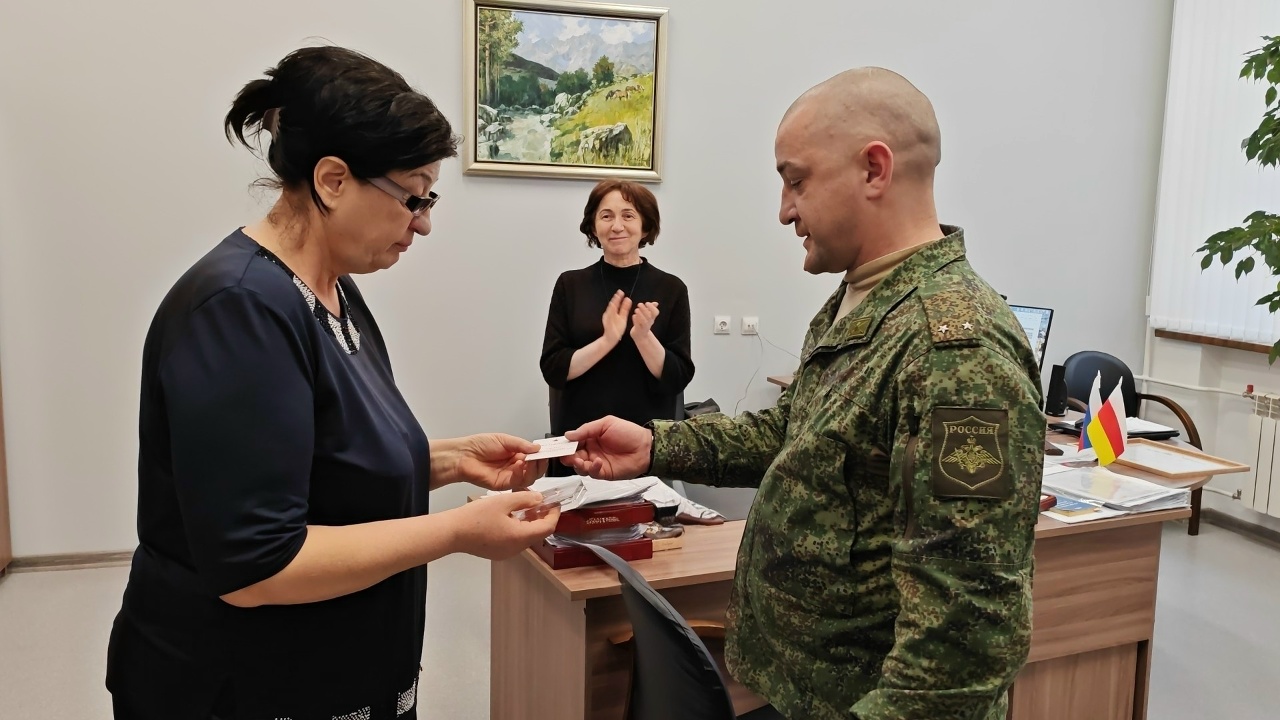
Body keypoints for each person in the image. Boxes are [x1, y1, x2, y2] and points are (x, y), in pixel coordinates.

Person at [564, 68, 1044, 720]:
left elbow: (967, 631)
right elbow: (789, 432)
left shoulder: (956, 350)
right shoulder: (859, 298)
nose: (784, 210)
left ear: (874, 170)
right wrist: (655, 445)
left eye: (796, 181)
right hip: (813, 692)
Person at [105, 46, 560, 720]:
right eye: (413, 196)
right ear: (333, 180)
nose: (424, 222)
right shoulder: (239, 309)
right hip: (240, 687)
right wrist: (458, 532)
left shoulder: (333, 292)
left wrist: (451, 458)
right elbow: (259, 565)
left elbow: (322, 460)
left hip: (342, 670)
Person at [539, 180, 694, 467]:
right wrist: (607, 340)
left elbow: (678, 377)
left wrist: (643, 337)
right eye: (606, 216)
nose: (617, 226)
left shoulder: (671, 289)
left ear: (645, 227)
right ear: (594, 226)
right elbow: (553, 368)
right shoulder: (570, 285)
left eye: (628, 215)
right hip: (581, 443)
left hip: (644, 444)